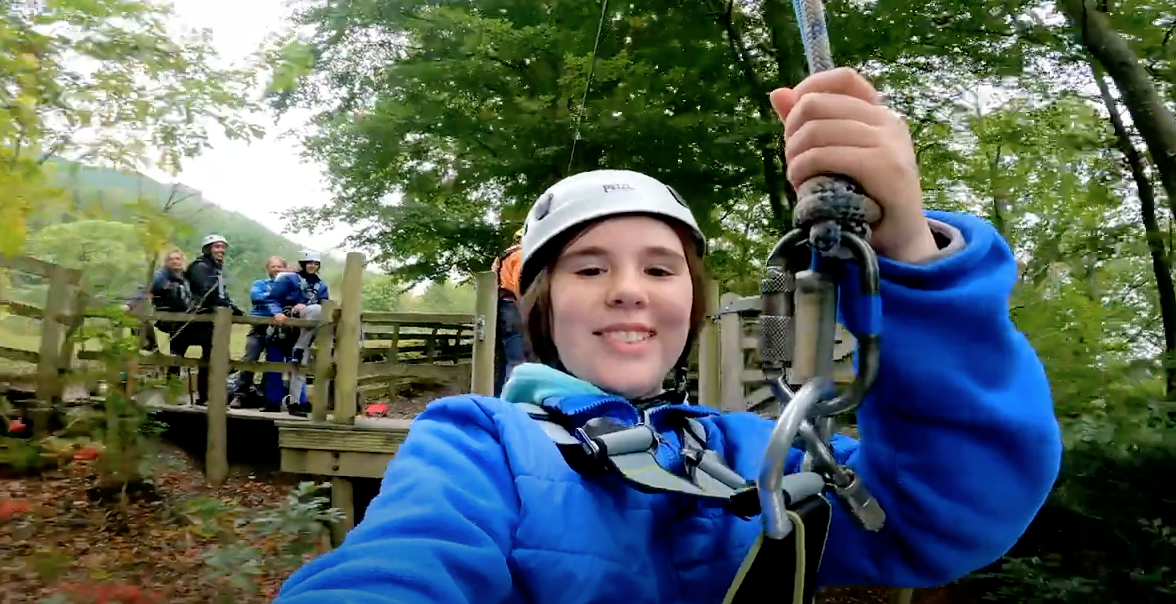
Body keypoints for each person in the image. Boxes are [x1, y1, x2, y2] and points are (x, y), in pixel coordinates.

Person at [273, 68, 1062, 603]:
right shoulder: (479, 444)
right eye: (588, 270)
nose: (627, 289)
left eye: (660, 270)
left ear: (691, 301)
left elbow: (949, 511)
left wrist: (908, 254)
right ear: (542, 308)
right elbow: (402, 565)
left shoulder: (749, 451)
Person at [182, 234, 243, 406]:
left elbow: (221, 293)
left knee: (211, 356)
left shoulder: (216, 268)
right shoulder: (200, 267)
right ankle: (205, 396)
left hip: (213, 317)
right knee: (211, 355)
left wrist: (232, 307)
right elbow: (206, 293)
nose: (221, 250)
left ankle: (208, 396)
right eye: (217, 247)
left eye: (223, 247)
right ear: (208, 249)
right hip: (200, 317)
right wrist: (225, 305)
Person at [267, 250, 329, 415]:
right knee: (277, 365)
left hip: (306, 330)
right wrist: (277, 313)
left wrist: (308, 305)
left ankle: (294, 404)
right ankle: (275, 401)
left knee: (300, 364)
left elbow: (326, 305)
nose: (312, 266)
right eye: (309, 263)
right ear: (302, 264)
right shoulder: (289, 278)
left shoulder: (321, 285)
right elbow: (273, 298)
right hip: (289, 324)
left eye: (316, 263)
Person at [230, 255, 288, 409]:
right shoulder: (259, 283)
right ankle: (239, 395)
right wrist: (275, 298)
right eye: (273, 266)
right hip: (258, 326)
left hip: (278, 328)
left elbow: (290, 300)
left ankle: (265, 396)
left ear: (285, 269)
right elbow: (256, 297)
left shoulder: (288, 286)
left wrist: (270, 298)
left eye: (279, 266)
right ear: (267, 269)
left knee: (272, 362)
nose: (276, 269)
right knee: (250, 358)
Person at [149, 249, 195, 384]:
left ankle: (173, 377)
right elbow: (152, 287)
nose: (175, 261)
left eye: (177, 258)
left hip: (186, 316)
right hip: (169, 316)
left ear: (182, 261)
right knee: (178, 345)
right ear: (166, 262)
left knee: (178, 347)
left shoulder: (187, 277)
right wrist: (168, 287)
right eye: (171, 259)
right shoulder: (161, 275)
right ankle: (173, 379)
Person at [491, 227, 527, 395]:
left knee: (505, 359)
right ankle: (511, 400)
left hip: (498, 307)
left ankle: (499, 397)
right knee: (517, 359)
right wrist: (526, 310)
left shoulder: (501, 258)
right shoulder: (520, 255)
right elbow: (519, 285)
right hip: (512, 307)